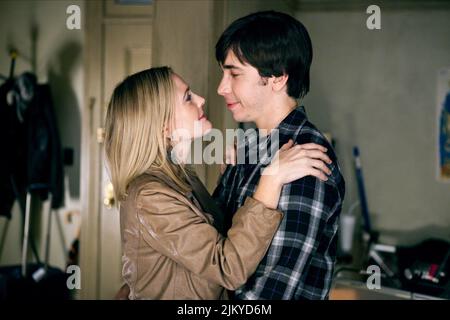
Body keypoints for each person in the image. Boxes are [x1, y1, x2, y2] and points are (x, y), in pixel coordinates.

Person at [105, 66, 333, 299]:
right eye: (187, 97)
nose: (202, 99)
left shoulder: (179, 179)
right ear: (164, 126)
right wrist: (270, 179)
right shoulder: (150, 197)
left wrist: (232, 176)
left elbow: (214, 234)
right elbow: (227, 267)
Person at [212, 11, 346, 300]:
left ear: (278, 78)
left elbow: (269, 294)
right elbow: (215, 245)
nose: (221, 88)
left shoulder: (304, 161)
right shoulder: (249, 148)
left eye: (234, 73)